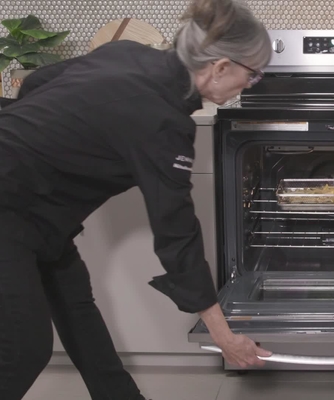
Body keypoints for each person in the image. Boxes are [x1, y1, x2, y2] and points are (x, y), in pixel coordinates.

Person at [0, 0, 273, 398]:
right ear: (220, 67)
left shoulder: (127, 52)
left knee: (79, 314)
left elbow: (38, 83)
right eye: (253, 76)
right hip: (10, 210)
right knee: (24, 348)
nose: (249, 85)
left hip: (41, 214)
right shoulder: (164, 123)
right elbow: (177, 234)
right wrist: (224, 336)